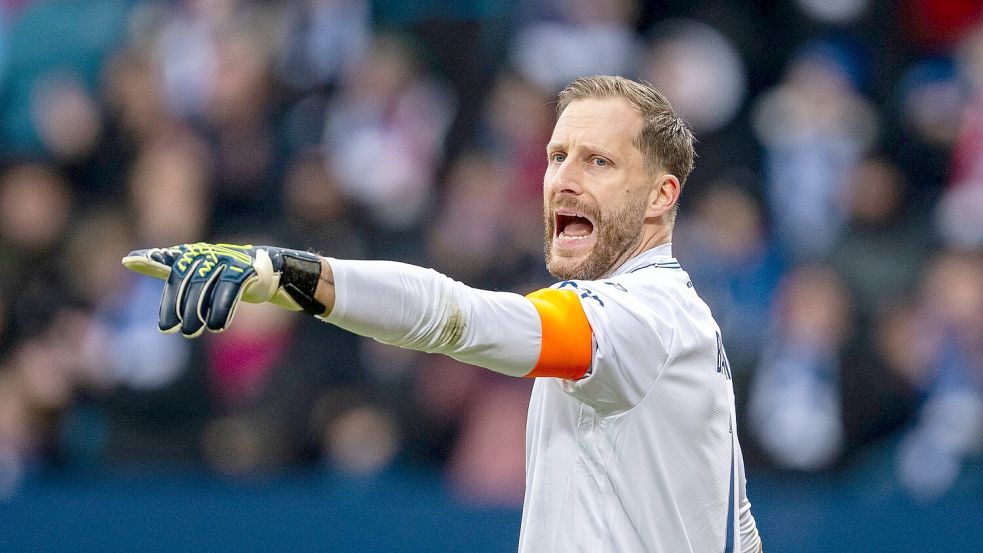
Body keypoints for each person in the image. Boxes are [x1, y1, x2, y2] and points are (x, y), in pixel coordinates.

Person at [123, 75, 762, 553]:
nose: (564, 179)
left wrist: (286, 274)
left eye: (599, 161)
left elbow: (461, 317)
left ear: (660, 195)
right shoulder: (687, 323)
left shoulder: (636, 317)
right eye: (556, 156)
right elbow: (736, 523)